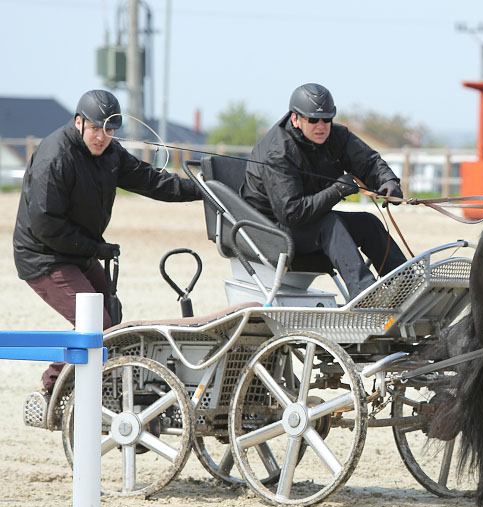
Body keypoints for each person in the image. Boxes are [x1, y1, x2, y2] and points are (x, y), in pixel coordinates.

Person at [14, 89, 203, 425]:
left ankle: (97, 390)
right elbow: (46, 225)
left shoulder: (110, 153)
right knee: (95, 325)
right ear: (79, 122)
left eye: (109, 130)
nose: (102, 137)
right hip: (43, 257)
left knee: (112, 322)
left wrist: (203, 189)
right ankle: (51, 394)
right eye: (95, 129)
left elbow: (152, 181)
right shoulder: (55, 156)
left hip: (77, 252)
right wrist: (95, 248)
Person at [241, 82, 407, 300]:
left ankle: (408, 286)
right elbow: (292, 213)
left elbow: (368, 162)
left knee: (369, 223)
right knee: (329, 224)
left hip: (309, 222)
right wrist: (337, 190)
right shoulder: (278, 152)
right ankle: (366, 296)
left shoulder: (337, 137)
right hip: (270, 230)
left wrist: (388, 182)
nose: (321, 126)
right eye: (313, 120)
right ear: (295, 119)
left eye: (327, 119)